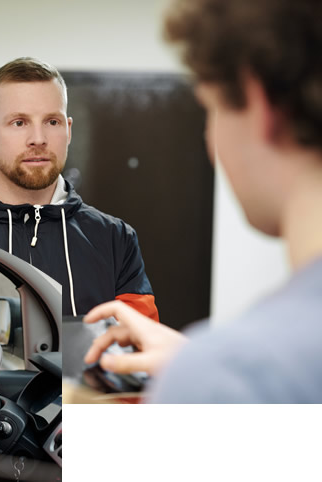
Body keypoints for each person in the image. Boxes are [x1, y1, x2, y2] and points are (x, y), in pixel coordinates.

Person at [84, 0, 322, 403]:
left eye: (209, 111)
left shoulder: (230, 380)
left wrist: (204, 373)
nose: (211, 148)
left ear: (259, 102)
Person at [0, 57, 159, 320]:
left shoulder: (115, 239)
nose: (38, 139)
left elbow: (138, 350)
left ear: (69, 130)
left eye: (52, 122)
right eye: (19, 122)